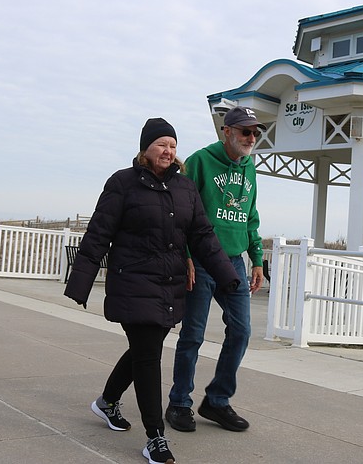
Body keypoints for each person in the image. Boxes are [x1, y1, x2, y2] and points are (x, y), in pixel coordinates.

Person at [65, 117, 240, 464]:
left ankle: (107, 402)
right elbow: (99, 233)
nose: (168, 150)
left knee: (144, 350)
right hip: (132, 281)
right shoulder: (123, 184)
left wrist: (226, 275)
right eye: (162, 144)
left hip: (168, 286)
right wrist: (81, 280)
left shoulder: (185, 189)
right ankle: (155, 437)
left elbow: (202, 235)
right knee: (148, 355)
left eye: (173, 146)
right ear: (146, 148)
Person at [166, 106, 266, 433]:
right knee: (193, 334)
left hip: (234, 261)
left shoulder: (250, 168)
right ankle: (179, 402)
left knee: (241, 331)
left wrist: (257, 259)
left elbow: (251, 217)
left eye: (255, 132)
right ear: (227, 132)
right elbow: (177, 212)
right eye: (245, 131)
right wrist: (186, 256)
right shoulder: (200, 161)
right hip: (202, 260)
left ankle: (217, 401)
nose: (251, 138)